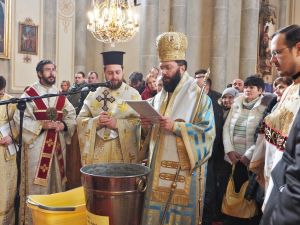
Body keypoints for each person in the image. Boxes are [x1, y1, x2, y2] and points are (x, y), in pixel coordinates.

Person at [141, 32, 215, 225]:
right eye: (161, 67)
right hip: (156, 173)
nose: (163, 72)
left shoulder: (199, 98)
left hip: (182, 178)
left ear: (182, 68)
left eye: (168, 67)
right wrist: (146, 126)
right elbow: (150, 138)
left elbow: (207, 133)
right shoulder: (159, 97)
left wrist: (177, 127)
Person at [13, 60, 76, 224]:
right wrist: (41, 125)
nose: (52, 73)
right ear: (39, 73)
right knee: (38, 187)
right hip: (37, 149)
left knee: (57, 185)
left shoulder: (59, 94)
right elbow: (18, 119)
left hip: (58, 148)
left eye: (53, 70)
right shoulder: (30, 94)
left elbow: (71, 115)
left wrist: (63, 125)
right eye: (48, 70)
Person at [258, 24, 300, 225]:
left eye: (277, 53)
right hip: (276, 186)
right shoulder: (292, 88)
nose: (271, 60)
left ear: (298, 49)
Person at [77, 51, 142, 165]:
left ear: (123, 71)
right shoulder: (94, 94)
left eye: (118, 72)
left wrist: (118, 124)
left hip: (123, 153)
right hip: (98, 152)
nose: (114, 76)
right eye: (110, 73)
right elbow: (79, 120)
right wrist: (96, 122)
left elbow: (140, 123)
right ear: (104, 72)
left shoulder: (133, 95)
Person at [223, 75, 271, 225]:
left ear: (260, 91)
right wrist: (229, 150)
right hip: (232, 156)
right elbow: (226, 128)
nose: (248, 90)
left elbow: (261, 135)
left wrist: (247, 155)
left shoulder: (264, 107)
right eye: (247, 87)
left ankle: (246, 219)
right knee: (231, 189)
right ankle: (231, 218)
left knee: (247, 193)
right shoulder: (237, 103)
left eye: (252, 87)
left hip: (251, 158)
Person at [0, 76, 18, 225]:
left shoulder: (11, 101)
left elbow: (18, 123)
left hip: (5, 153)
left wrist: (12, 136)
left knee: (6, 189)